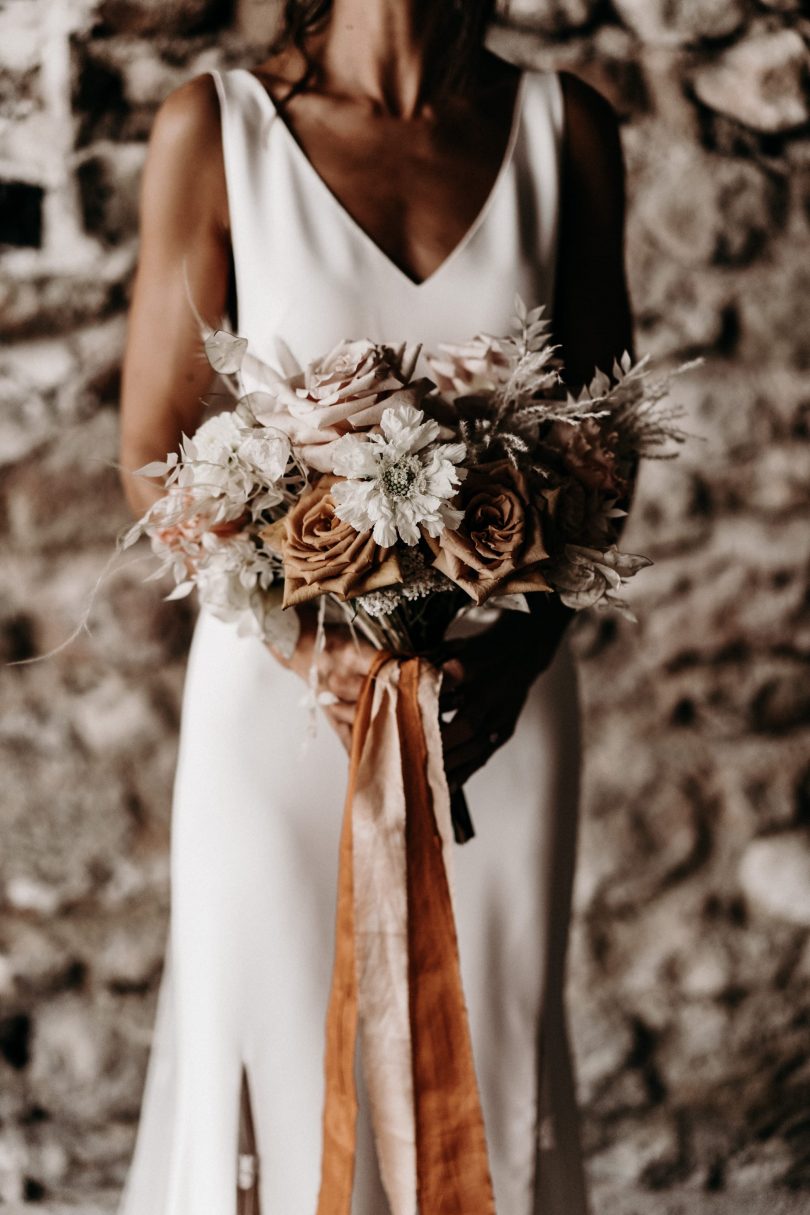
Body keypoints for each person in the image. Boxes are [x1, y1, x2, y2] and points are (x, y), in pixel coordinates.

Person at [117, 0, 633, 1211]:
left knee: (490, 1057)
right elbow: (154, 445)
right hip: (276, 704)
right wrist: (313, 657)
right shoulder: (221, 127)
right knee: (275, 1048)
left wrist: (517, 663)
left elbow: (608, 454)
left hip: (493, 710)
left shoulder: (568, 133)